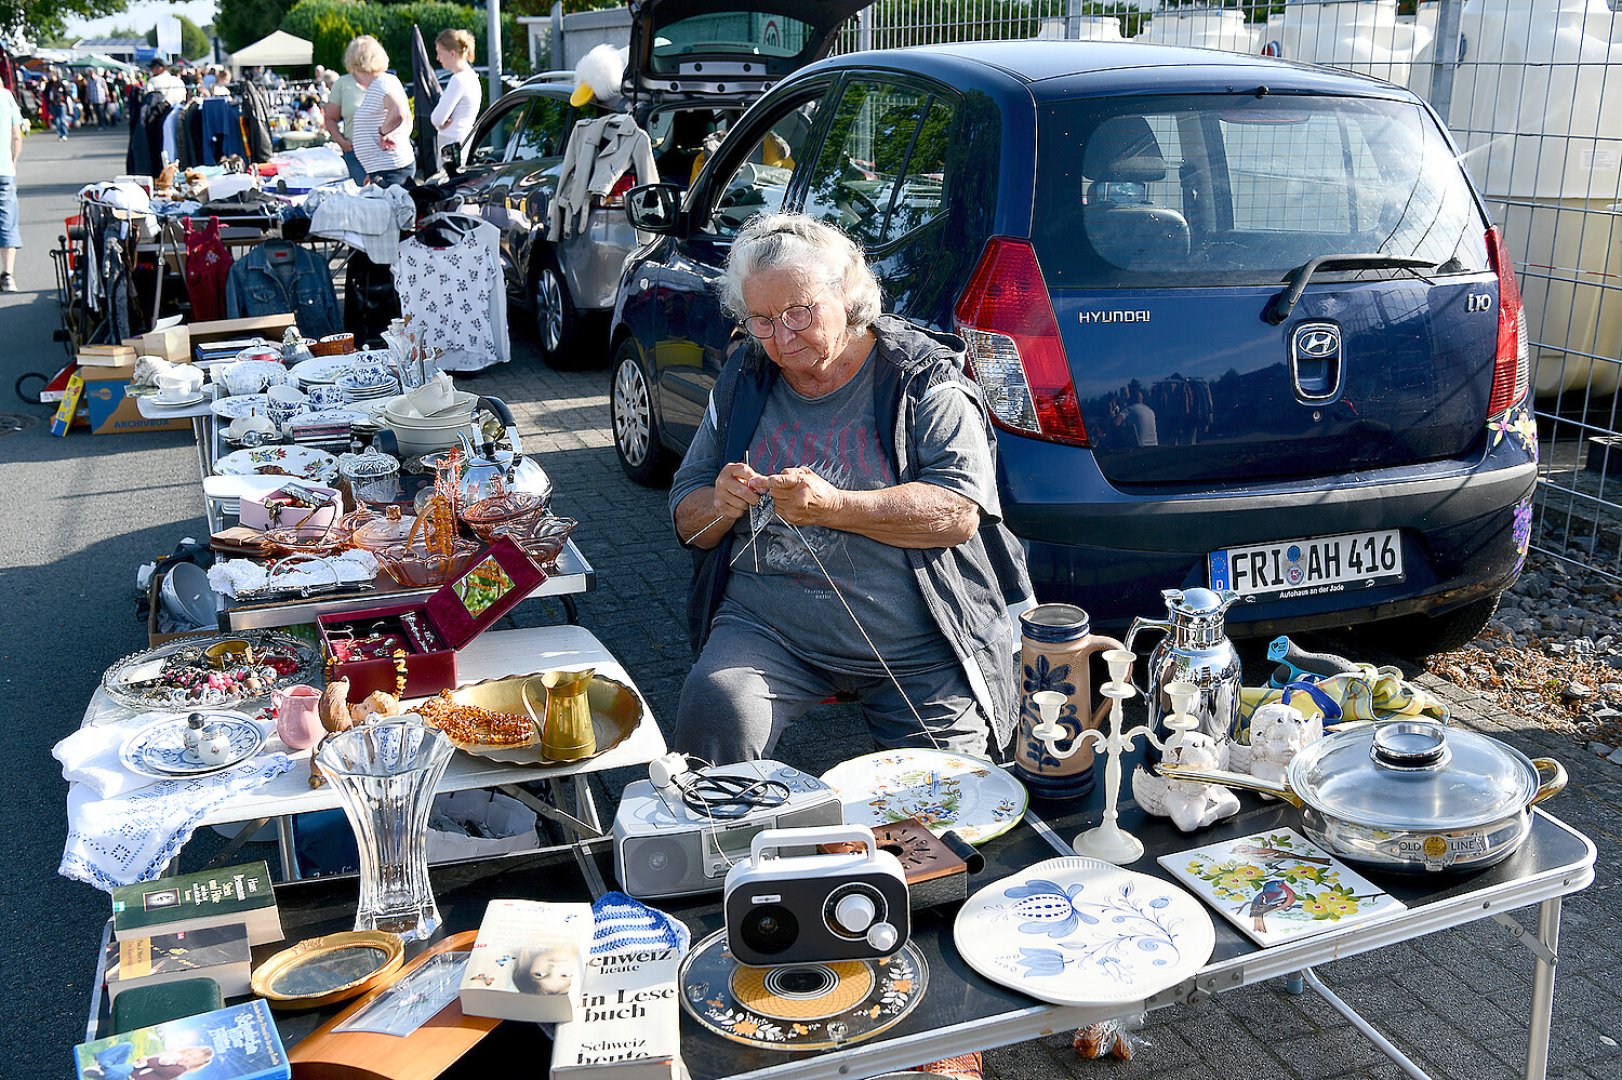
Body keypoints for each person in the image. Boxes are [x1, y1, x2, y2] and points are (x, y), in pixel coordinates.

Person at [670, 213, 1032, 764]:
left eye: (798, 312)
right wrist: (720, 506)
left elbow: (958, 511)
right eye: (761, 320)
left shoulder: (922, 379)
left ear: (849, 294)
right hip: (768, 632)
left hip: (918, 644)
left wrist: (833, 507)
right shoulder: (746, 376)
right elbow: (686, 514)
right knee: (716, 704)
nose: (782, 336)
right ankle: (726, 845)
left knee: (948, 788)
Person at [344, 36, 414, 187]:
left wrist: (383, 132)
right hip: (387, 167)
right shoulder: (388, 81)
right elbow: (406, 118)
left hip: (390, 168)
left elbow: (398, 112)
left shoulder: (380, 85)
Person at [431, 29, 481, 161]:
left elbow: (436, 119)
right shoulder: (472, 77)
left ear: (452, 53)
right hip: (463, 142)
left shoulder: (458, 80)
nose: (438, 58)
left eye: (439, 53)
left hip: (451, 146)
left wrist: (439, 124)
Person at [323, 56, 369, 183]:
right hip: (354, 152)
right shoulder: (343, 84)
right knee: (362, 197)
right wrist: (341, 141)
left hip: (385, 155)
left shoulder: (386, 81)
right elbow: (330, 118)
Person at [0, 78, 23, 292]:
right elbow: (17, 137)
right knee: (6, 220)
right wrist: (13, 162)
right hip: (3, 169)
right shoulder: (6, 97)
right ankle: (7, 275)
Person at [42, 71, 70, 139]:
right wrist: (48, 100)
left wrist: (63, 100)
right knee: (56, 120)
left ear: (55, 76)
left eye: (52, 76)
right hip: (52, 104)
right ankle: (60, 133)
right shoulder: (49, 84)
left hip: (60, 104)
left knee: (61, 119)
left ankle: (64, 133)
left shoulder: (60, 83)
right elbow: (45, 93)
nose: (51, 77)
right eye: (50, 76)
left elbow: (66, 93)